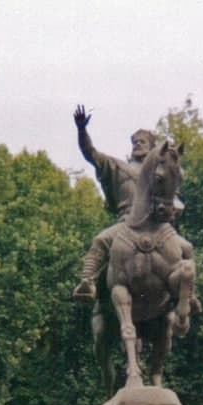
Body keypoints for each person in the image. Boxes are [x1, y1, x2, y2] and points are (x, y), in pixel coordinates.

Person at [71, 107, 182, 302]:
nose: (137, 145)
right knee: (100, 240)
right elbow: (91, 154)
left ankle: (189, 295)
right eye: (135, 142)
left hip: (158, 225)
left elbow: (174, 200)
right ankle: (87, 282)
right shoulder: (118, 168)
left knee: (186, 249)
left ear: (153, 147)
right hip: (127, 223)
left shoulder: (162, 173)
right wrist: (82, 130)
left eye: (143, 142)